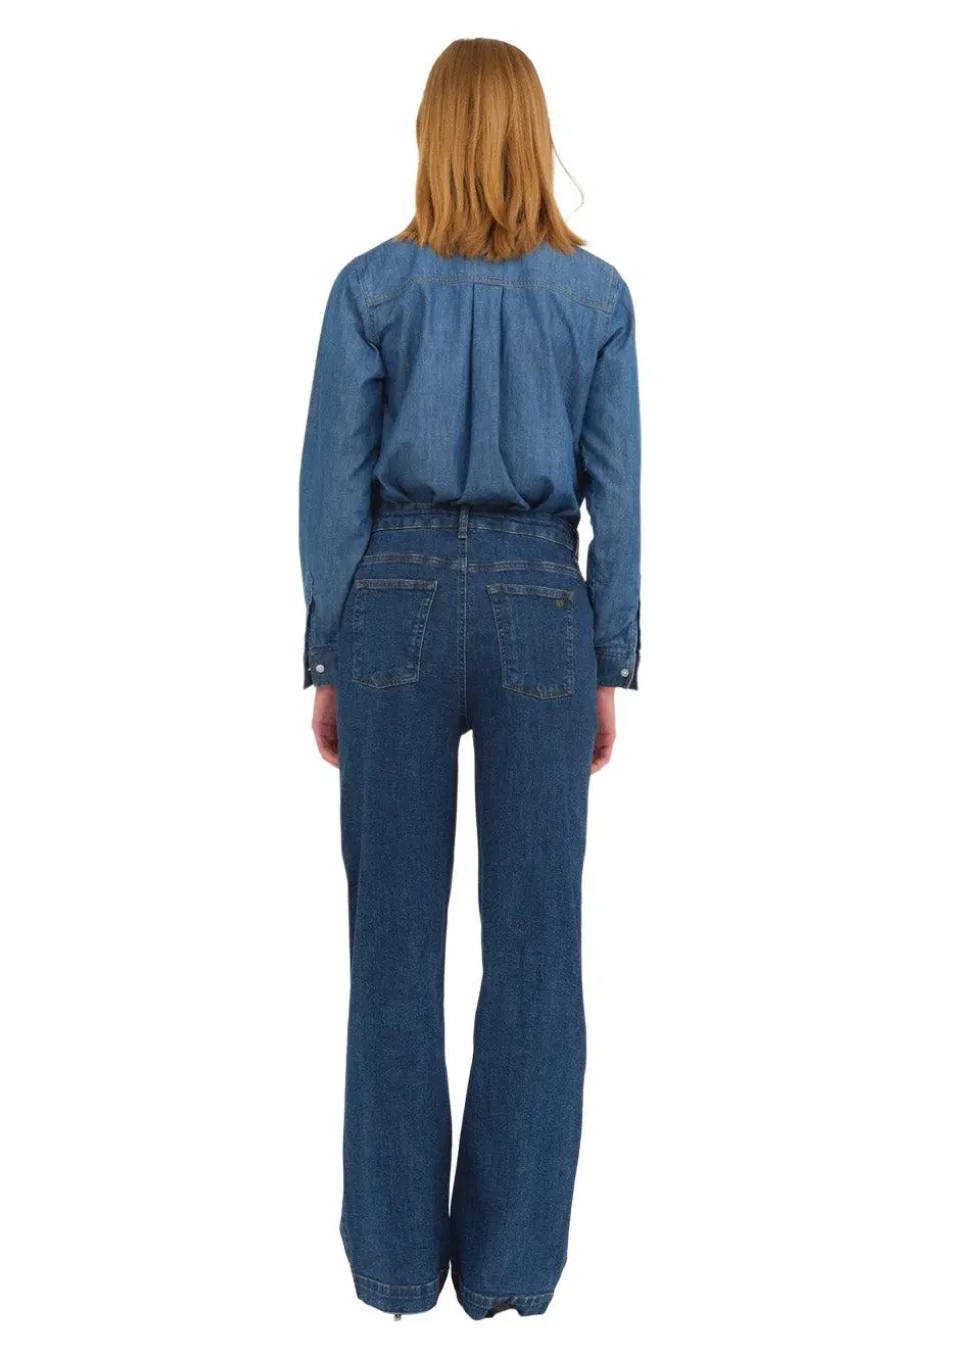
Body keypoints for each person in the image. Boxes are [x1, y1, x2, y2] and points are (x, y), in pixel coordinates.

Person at [298, 37, 641, 1321]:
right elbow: (620, 494)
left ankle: (395, 1264)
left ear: (431, 134)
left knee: (391, 941)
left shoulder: (369, 288)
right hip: (543, 605)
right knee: (538, 946)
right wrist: (606, 655)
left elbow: (332, 487)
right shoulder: (595, 297)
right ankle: (506, 1268)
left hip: (389, 599)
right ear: (533, 135)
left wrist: (328, 650)